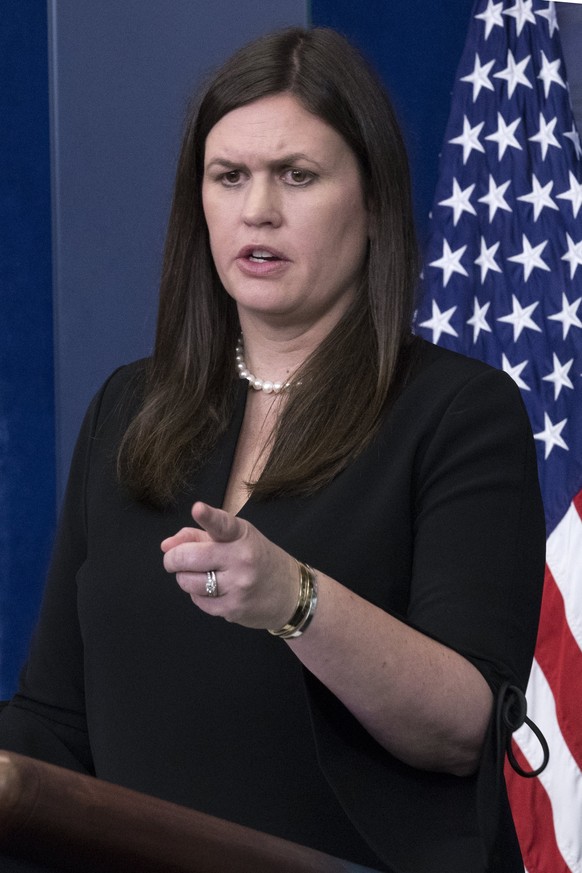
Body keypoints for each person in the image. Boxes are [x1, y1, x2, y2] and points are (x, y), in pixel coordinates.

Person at [0, 26, 545, 873]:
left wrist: (296, 599)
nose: (258, 209)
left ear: (372, 203)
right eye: (230, 177)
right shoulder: (130, 407)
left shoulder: (459, 413)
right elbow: (55, 720)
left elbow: (461, 727)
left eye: (298, 175)